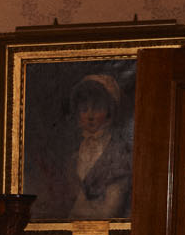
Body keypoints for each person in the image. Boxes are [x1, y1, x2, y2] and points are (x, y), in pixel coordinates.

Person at [34, 72, 131, 221]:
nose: (90, 116)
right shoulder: (74, 154)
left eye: (97, 108)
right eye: (84, 109)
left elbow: (112, 210)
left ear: (109, 111)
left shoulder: (118, 152)